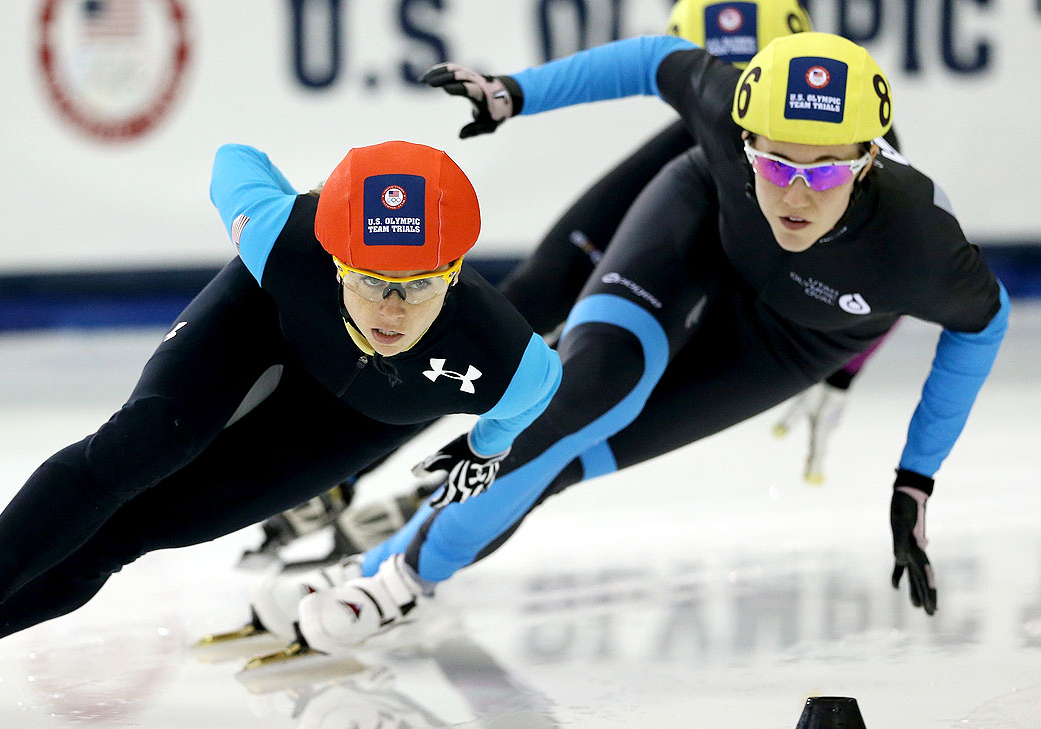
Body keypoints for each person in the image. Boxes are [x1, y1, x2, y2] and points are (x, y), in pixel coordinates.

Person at [287, 31, 1008, 656]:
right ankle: (395, 581)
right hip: (701, 225)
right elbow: (653, 59)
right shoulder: (724, 111)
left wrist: (915, 479)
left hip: (792, 337)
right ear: (745, 139)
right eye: (776, 164)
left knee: (565, 462)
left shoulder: (920, 243)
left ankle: (384, 565)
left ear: (868, 162)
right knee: (584, 391)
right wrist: (515, 93)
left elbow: (982, 327)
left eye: (824, 171)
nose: (796, 195)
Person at [0, 140, 562, 708]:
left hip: (353, 416)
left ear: (456, 272)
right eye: (370, 280)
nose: (391, 310)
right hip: (264, 322)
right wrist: (295, 203)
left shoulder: (509, 358)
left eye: (418, 285)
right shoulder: (281, 236)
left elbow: (529, 402)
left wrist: (482, 447)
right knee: (146, 442)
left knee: (147, 527)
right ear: (335, 260)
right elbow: (234, 160)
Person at [236, 0, 886, 576]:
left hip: (751, 279)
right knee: (525, 306)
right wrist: (510, 94)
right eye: (721, 76)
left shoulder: (844, 156)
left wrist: (839, 360)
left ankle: (453, 500)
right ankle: (352, 469)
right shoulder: (712, 115)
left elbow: (908, 256)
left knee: (594, 385)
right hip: (695, 197)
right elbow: (640, 64)